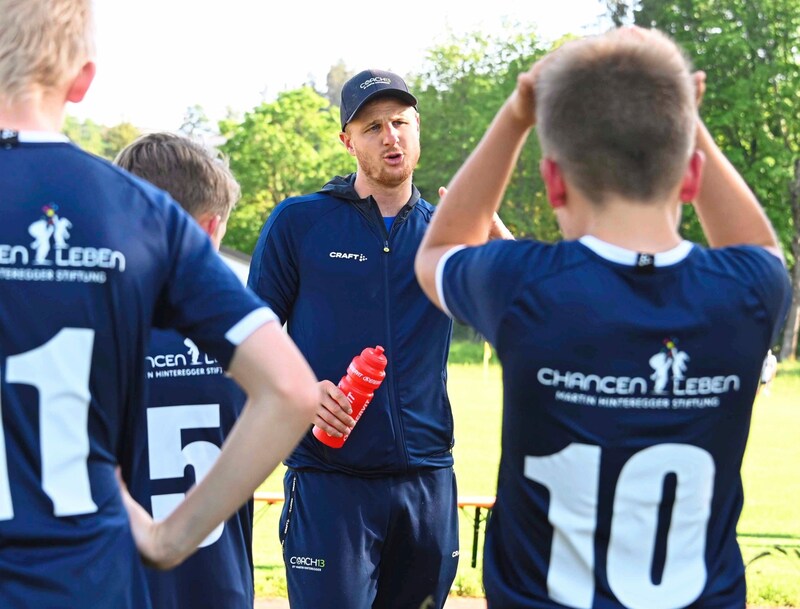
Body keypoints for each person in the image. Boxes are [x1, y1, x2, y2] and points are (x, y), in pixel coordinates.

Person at [415, 27, 791, 609]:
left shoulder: (527, 287)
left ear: (554, 184)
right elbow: (762, 251)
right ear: (690, 176)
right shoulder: (748, 293)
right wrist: (687, 118)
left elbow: (437, 254)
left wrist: (518, 115)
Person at [0, 2, 318, 608]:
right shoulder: (141, 215)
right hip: (86, 578)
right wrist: (171, 539)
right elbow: (293, 391)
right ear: (83, 78)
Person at [248, 68, 510, 609]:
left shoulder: (448, 234)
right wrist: (302, 389)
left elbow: (530, 334)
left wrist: (508, 260)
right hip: (330, 482)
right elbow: (252, 333)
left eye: (400, 122)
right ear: (347, 140)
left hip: (427, 483)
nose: (390, 136)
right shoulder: (300, 222)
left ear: (418, 129)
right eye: (372, 126)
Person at [114, 133, 256, 609]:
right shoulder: (247, 340)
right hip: (219, 584)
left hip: (118, 584)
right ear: (212, 229)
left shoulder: (95, 324)